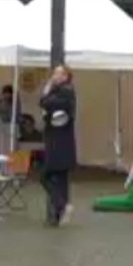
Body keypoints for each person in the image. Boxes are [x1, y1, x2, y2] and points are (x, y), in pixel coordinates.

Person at [39, 64, 77, 227]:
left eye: (58, 73)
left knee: (45, 176)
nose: (54, 76)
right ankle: (59, 214)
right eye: (54, 73)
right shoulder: (62, 91)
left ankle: (63, 205)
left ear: (65, 77)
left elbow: (45, 103)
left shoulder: (66, 92)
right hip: (59, 141)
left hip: (59, 143)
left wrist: (46, 91)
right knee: (60, 180)